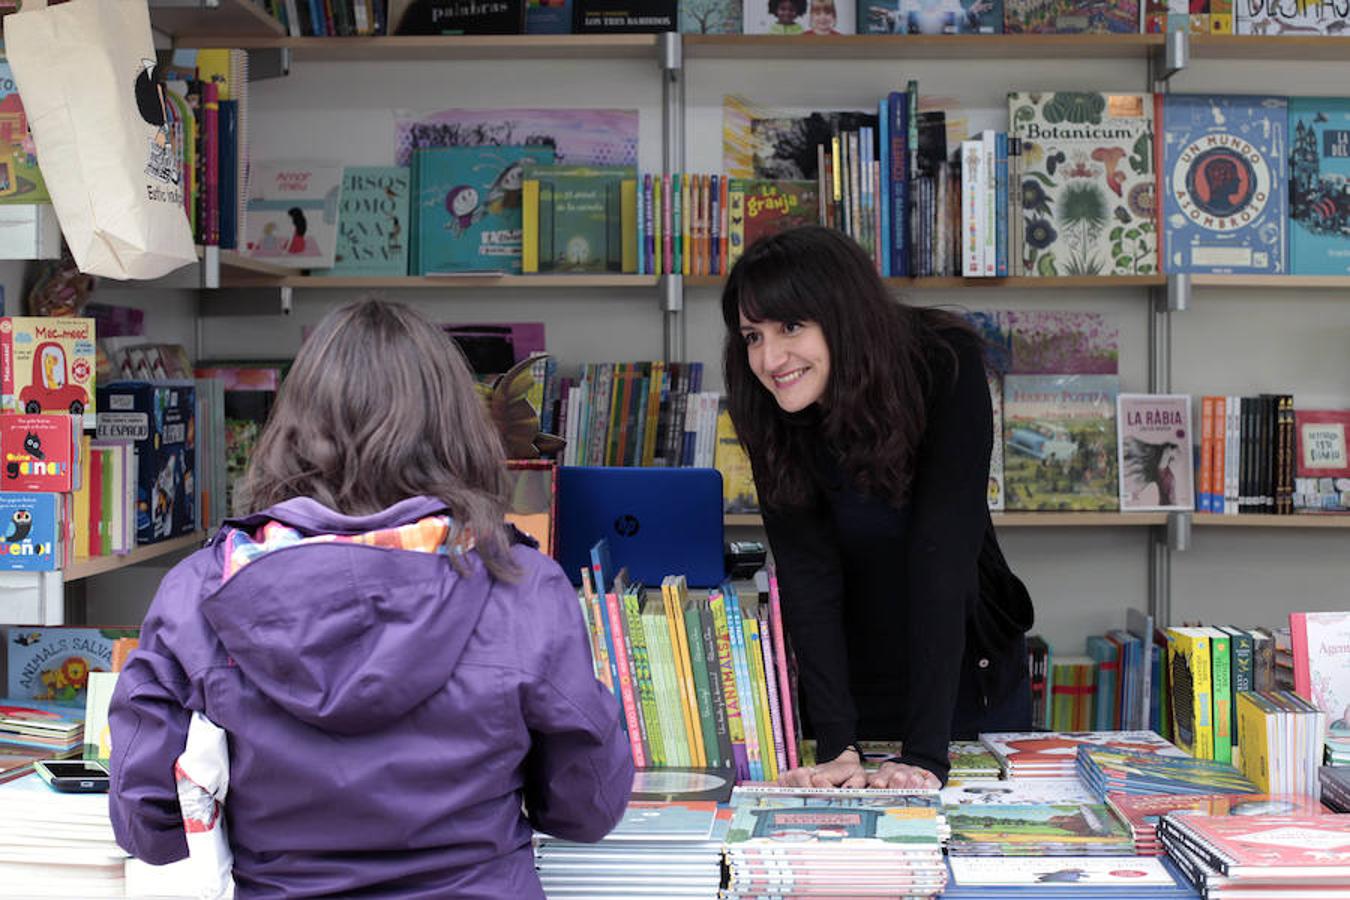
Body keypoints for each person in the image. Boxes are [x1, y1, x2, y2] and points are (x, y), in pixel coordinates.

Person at [108, 298, 633, 898]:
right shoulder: (519, 584)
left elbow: (148, 824)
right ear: (458, 429)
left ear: (291, 429)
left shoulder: (202, 588)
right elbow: (586, 807)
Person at [721, 226, 1034, 790]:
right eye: (752, 336)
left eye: (791, 326)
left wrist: (925, 753)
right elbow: (806, 575)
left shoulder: (944, 362)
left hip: (960, 668)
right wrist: (839, 742)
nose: (769, 358)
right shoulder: (769, 403)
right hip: (844, 671)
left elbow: (943, 554)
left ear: (841, 315)